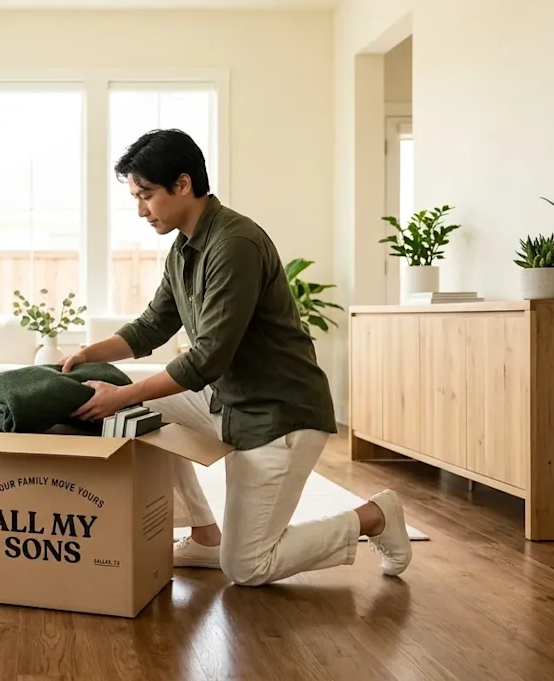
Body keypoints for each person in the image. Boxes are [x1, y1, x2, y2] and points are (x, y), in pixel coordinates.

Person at [58, 128, 411, 585]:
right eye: (135, 197)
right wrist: (88, 353)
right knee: (140, 406)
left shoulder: (234, 244)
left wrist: (121, 395)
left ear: (182, 184)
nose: (141, 209)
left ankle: (375, 516)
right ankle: (206, 534)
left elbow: (207, 359)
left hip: (278, 415)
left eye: (146, 195)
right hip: (226, 403)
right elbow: (152, 326)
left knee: (247, 566)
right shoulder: (183, 249)